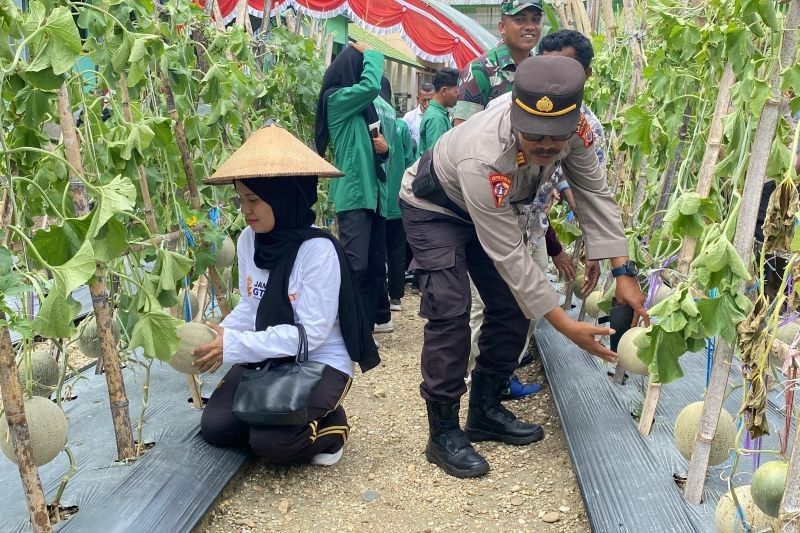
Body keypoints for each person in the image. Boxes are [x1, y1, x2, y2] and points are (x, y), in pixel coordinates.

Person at [399, 56, 649, 478]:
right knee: (450, 309)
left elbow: (595, 196)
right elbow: (510, 256)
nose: (547, 147)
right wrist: (564, 326)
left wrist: (623, 273)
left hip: (495, 210)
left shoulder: (580, 133)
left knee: (513, 307)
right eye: (535, 135)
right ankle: (442, 432)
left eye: (557, 136)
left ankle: (485, 409)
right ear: (514, 116)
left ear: (573, 125)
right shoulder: (485, 155)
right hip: (434, 208)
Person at [194, 125, 380, 465]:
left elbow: (310, 336)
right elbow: (252, 303)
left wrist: (235, 346)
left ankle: (332, 427)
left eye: (253, 200)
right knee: (217, 428)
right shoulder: (249, 240)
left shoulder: (318, 251)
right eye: (240, 200)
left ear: (284, 197)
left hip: (319, 361)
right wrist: (224, 334)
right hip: (269, 356)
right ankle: (287, 421)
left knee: (272, 444)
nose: (245, 210)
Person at [484, 29, 609, 395]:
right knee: (488, 307)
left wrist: (596, 251)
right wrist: (566, 326)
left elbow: (590, 196)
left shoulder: (588, 131)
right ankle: (479, 388)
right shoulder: (503, 113)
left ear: (585, 75)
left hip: (534, 227)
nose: (555, 78)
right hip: (492, 223)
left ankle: (498, 382)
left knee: (527, 310)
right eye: (547, 65)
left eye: (566, 67)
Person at [315, 42, 388, 333]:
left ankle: (364, 328)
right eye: (360, 67)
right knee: (355, 266)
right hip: (354, 196)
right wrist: (372, 53)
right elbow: (371, 87)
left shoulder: (362, 111)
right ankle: (343, 325)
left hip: (373, 195)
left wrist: (383, 151)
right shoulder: (336, 99)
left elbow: (371, 151)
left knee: (372, 267)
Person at [452, 0, 543, 127]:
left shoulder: (542, 70)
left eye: (536, 20)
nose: (530, 26)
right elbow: (462, 132)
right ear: (502, 27)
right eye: (520, 20)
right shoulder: (480, 70)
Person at [374, 77, 416, 328]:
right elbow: (410, 157)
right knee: (397, 248)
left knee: (378, 250)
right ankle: (397, 296)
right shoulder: (399, 125)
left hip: (380, 195)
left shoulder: (374, 122)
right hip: (398, 195)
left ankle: (381, 299)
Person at [417, 68, 460, 157]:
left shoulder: (438, 113)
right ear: (444, 91)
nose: (458, 97)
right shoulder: (437, 118)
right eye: (456, 92)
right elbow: (437, 157)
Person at [403, 82, 436, 148]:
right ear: (418, 99)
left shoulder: (440, 117)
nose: (427, 104)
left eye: (430, 100)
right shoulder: (409, 117)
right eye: (424, 100)